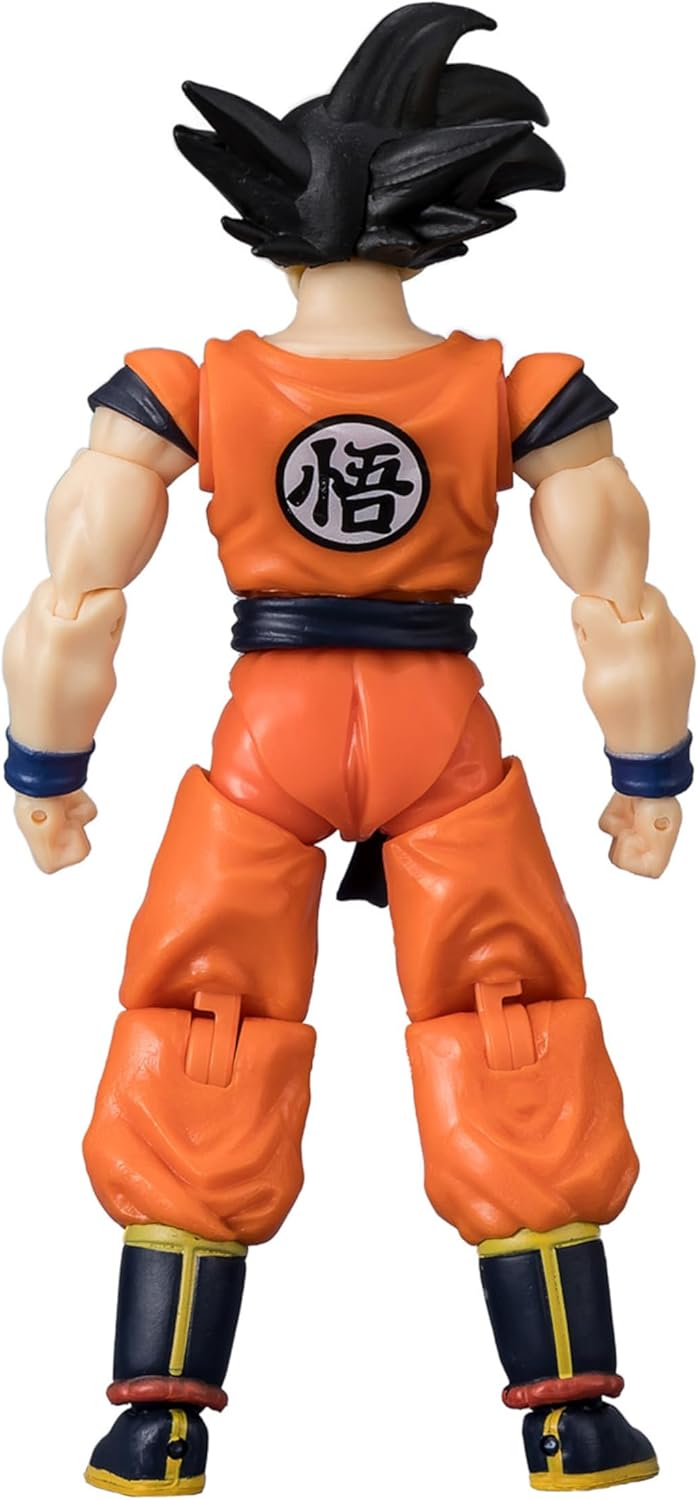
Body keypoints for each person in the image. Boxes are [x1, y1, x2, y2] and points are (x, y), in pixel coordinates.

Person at [3, 5, 693, 1494]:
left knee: (204, 1018)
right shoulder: (518, 392)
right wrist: (646, 781)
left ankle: (157, 1418)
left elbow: (72, 597)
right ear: (448, 213)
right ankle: (571, 1415)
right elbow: (622, 604)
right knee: (513, 1017)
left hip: (272, 728)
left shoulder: (187, 385)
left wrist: (46, 774)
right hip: (443, 727)